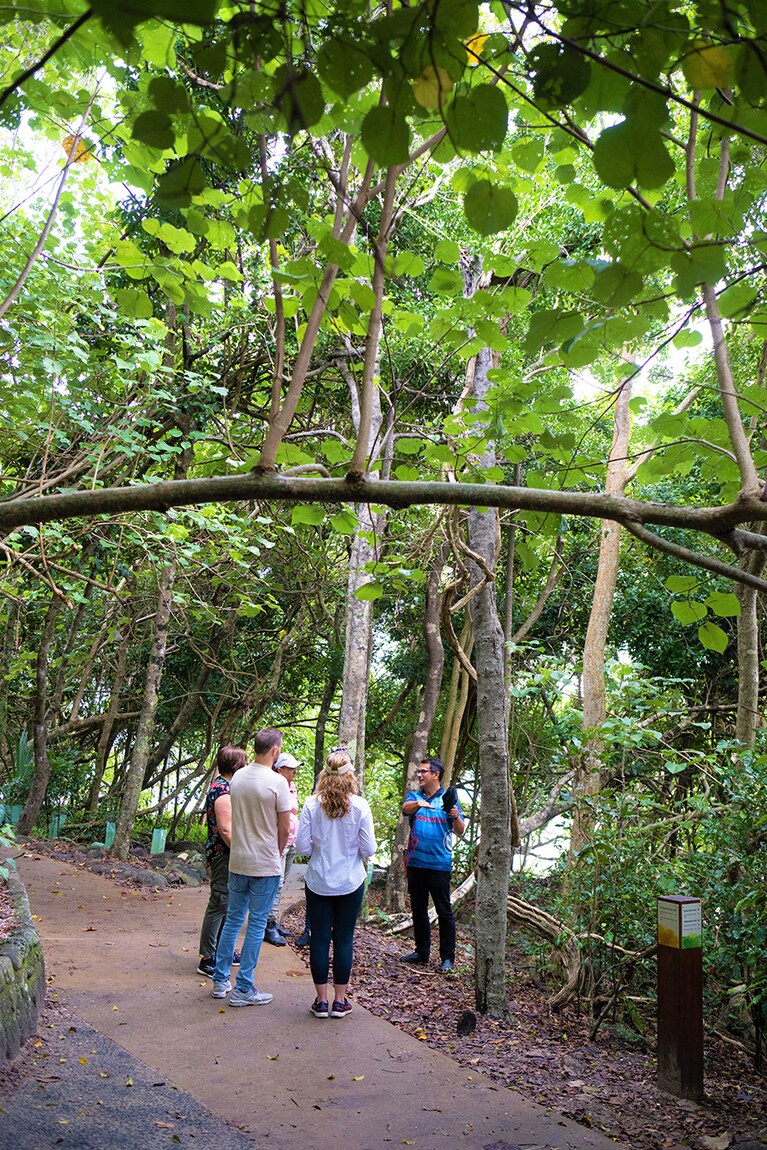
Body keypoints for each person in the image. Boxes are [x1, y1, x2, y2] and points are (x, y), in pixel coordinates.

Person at [210, 727, 293, 1007]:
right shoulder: (277, 782)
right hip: (264, 863)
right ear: (275, 751)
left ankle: (221, 980)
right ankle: (244, 987)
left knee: (233, 919)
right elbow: (284, 827)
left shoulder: (238, 777)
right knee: (256, 924)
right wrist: (277, 853)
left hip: (238, 860)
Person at [295, 746, 376, 1019]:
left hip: (318, 879)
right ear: (350, 775)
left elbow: (303, 847)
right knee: (343, 939)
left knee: (319, 939)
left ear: (324, 774)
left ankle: (321, 1001)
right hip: (350, 882)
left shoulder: (310, 804)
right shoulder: (361, 806)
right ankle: (340, 1001)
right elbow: (369, 850)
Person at [400, 756, 465, 972]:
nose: (419, 775)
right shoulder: (415, 796)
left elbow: (460, 830)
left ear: (435, 774)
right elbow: (405, 808)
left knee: (444, 911)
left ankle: (447, 958)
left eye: (423, 772)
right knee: (418, 909)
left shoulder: (449, 798)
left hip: (439, 865)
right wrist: (418, 804)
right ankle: (422, 952)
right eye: (418, 772)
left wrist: (455, 816)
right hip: (416, 863)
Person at [196, 744, 248, 977]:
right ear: (236, 766)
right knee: (219, 902)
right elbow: (226, 830)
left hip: (227, 853)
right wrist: (241, 852)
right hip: (223, 854)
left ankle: (221, 949)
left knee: (226, 903)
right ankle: (208, 957)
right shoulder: (222, 791)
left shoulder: (226, 787)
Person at [263, 750, 301, 946]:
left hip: (291, 840)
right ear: (280, 769)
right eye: (290, 768)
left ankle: (273, 920)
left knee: (282, 881)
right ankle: (267, 924)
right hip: (278, 840)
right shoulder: (274, 785)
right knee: (275, 883)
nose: (294, 771)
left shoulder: (291, 786)